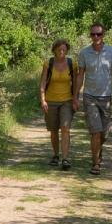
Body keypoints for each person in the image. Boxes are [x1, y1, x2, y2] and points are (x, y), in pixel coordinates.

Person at [73, 23, 112, 175]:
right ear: (90, 35)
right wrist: (75, 96)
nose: (96, 37)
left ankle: (97, 152)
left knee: (105, 132)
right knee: (96, 131)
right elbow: (80, 75)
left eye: (99, 34)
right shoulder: (84, 53)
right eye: (93, 34)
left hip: (106, 97)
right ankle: (95, 164)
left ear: (103, 35)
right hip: (90, 97)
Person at [39, 38, 78, 171]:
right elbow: (43, 83)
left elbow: (77, 83)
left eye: (64, 49)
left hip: (67, 100)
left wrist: (76, 99)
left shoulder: (72, 63)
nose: (62, 51)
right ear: (54, 50)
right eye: (59, 49)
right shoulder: (48, 63)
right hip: (50, 101)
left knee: (65, 127)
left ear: (67, 50)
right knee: (54, 130)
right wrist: (43, 100)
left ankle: (65, 158)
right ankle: (56, 155)